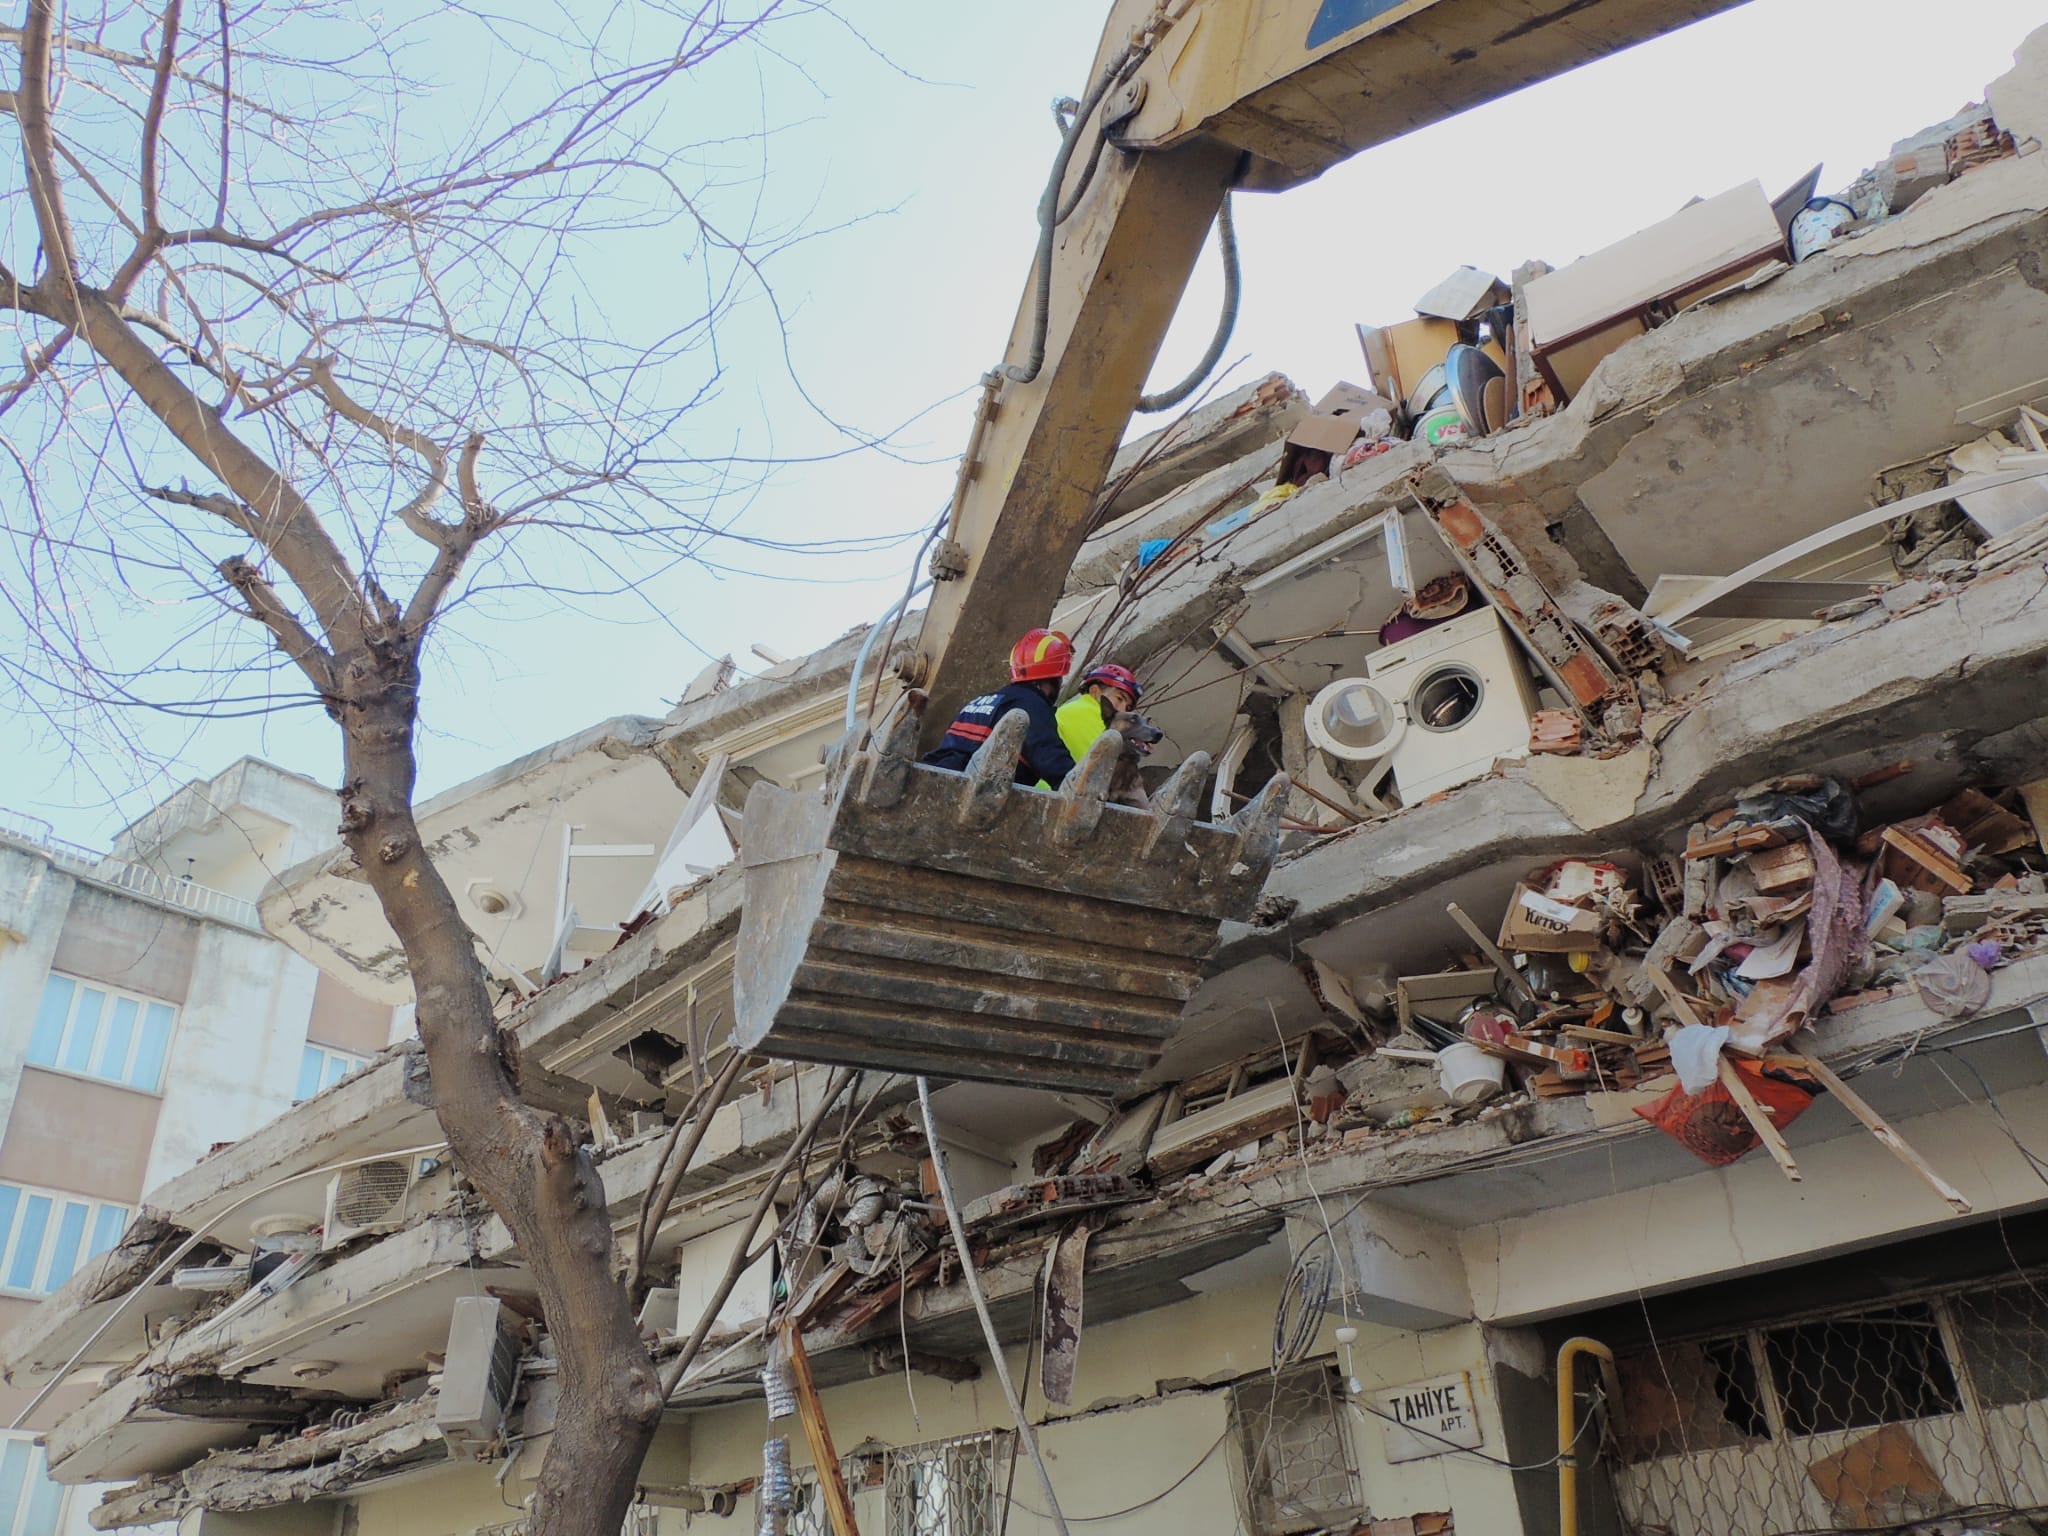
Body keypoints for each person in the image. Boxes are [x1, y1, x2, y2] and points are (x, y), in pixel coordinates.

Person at [922, 629, 1080, 788]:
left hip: (932, 786)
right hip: (973, 799)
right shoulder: (1031, 707)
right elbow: (1055, 766)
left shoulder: (978, 702)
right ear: (1053, 679)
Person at [1055, 662, 1142, 766]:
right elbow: (1106, 769)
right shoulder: (1087, 713)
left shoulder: (1072, 709)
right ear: (1095, 691)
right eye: (1119, 698)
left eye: (1127, 708)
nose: (1123, 710)